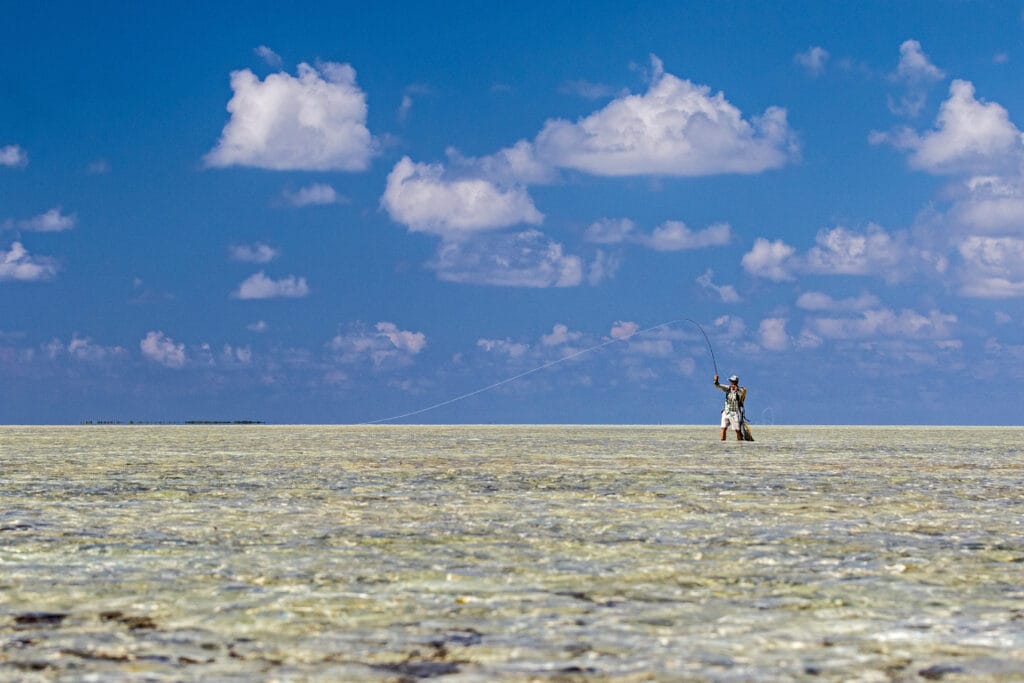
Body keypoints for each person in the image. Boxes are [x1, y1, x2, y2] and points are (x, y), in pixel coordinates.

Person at [713, 374, 747, 441]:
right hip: (726, 412)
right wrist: (716, 380)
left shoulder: (741, 390)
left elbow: (742, 393)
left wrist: (737, 390)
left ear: (736, 382)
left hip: (734, 413)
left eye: (732, 381)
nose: (731, 382)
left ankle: (740, 444)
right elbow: (718, 385)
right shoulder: (727, 388)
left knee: (737, 430)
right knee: (723, 428)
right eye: (730, 381)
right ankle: (722, 443)